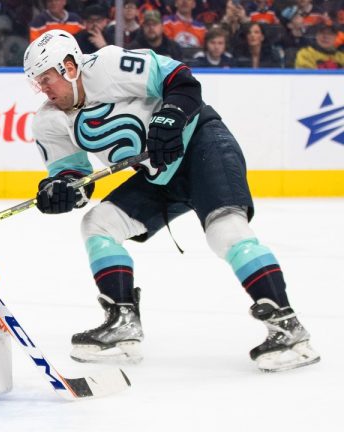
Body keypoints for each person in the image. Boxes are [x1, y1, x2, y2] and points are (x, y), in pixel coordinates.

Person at [21, 29, 320, 372]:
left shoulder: (108, 65)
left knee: (225, 231)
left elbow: (182, 81)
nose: (43, 89)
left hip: (202, 145)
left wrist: (171, 116)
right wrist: (59, 191)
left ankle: (289, 330)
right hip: (161, 174)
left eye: (46, 79)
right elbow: (75, 179)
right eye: (36, 82)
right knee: (98, 223)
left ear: (70, 67)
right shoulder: (48, 121)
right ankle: (123, 325)